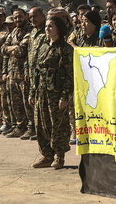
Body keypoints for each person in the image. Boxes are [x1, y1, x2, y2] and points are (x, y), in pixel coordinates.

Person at [31, 16, 74, 169]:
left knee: (59, 125)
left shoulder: (65, 49)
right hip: (41, 91)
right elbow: (35, 70)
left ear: (59, 29)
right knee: (41, 123)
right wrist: (32, 92)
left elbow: (70, 75)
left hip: (56, 92)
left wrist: (65, 96)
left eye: (51, 26)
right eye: (47, 26)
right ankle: (47, 155)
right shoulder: (43, 46)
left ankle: (59, 156)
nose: (47, 29)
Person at [2, 8, 33, 138]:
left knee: (28, 103)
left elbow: (21, 51)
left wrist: (12, 48)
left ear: (25, 17)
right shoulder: (13, 31)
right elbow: (3, 48)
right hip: (13, 73)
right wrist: (13, 48)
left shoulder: (30, 30)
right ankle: (20, 126)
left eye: (20, 17)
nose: (17, 20)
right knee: (16, 102)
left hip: (24, 73)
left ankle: (32, 127)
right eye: (15, 18)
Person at [23, 7, 47, 139]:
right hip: (32, 74)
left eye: (35, 16)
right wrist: (27, 70)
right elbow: (29, 53)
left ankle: (43, 131)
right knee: (33, 103)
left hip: (43, 74)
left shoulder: (48, 30)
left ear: (42, 16)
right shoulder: (32, 32)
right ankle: (36, 130)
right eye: (31, 17)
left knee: (42, 105)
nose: (33, 19)